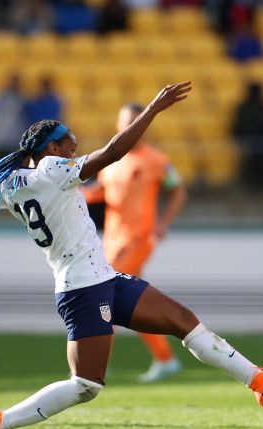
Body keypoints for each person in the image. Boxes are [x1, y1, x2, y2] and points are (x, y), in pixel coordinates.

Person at [0, 82, 263, 429]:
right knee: (86, 385)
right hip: (83, 288)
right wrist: (153, 109)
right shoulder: (53, 170)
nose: (74, 147)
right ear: (51, 148)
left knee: (183, 321)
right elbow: (112, 152)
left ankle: (260, 381)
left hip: (104, 279)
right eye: (68, 142)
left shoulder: (12, 183)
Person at [80, 103, 188, 383]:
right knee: (131, 303)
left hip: (138, 238)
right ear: (119, 126)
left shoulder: (156, 159)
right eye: (126, 122)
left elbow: (177, 190)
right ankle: (165, 358)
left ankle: (95, 364)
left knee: (104, 294)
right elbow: (102, 193)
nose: (130, 127)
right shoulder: (111, 160)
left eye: (135, 121)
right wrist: (78, 192)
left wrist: (163, 224)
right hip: (112, 239)